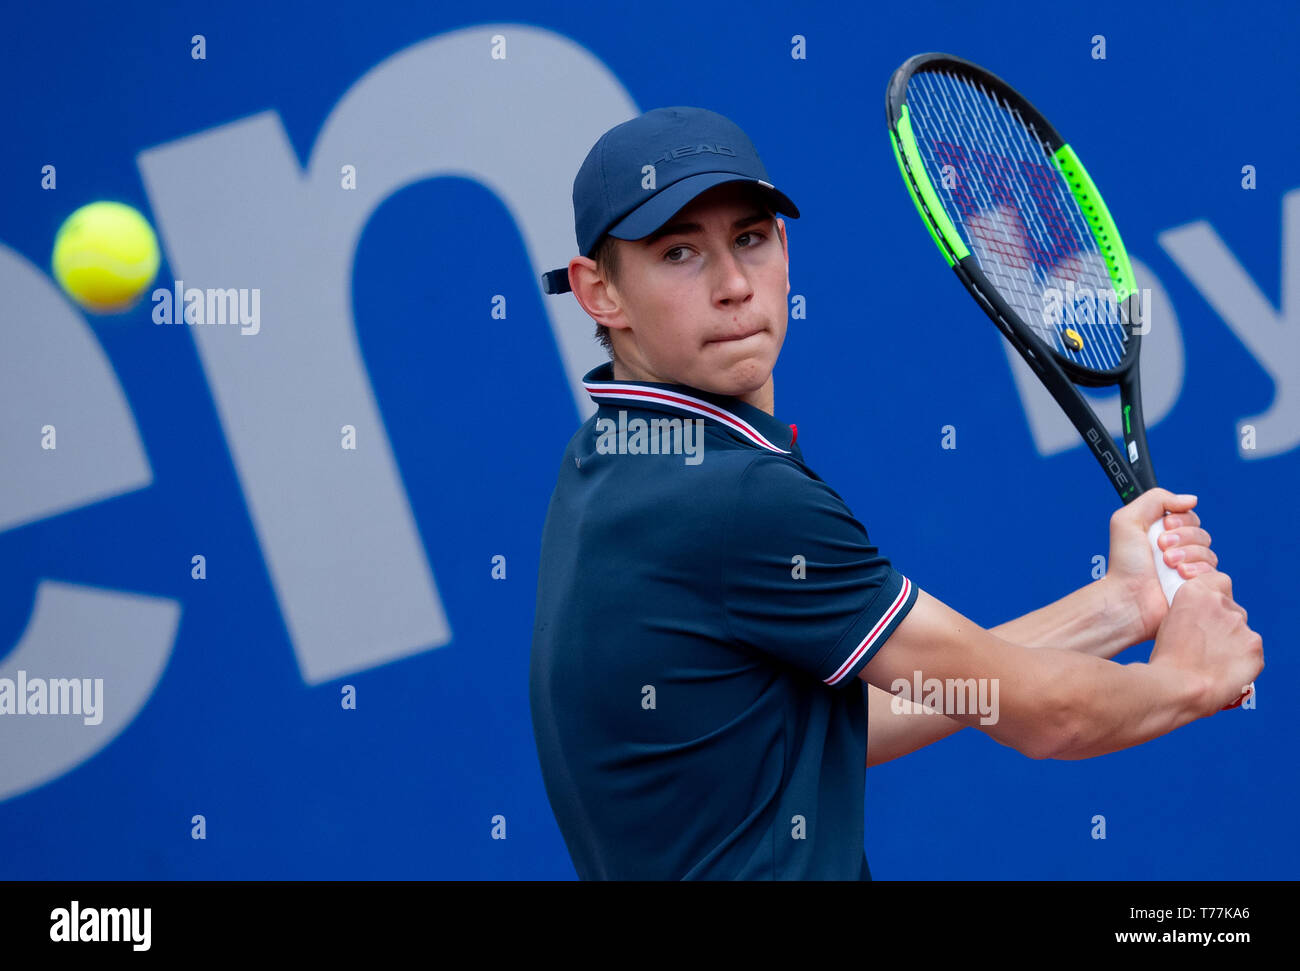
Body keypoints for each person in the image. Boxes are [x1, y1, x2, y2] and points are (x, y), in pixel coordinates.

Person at [529, 106, 1262, 880]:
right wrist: (1187, 678)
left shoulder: (610, 458)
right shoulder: (736, 498)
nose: (735, 285)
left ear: (784, 248)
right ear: (599, 291)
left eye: (749, 238)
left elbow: (816, 726)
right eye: (679, 252)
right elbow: (1052, 717)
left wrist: (1122, 607)